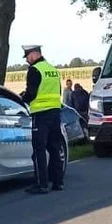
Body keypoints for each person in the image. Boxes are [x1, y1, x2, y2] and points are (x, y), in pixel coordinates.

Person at [20, 44, 65, 194]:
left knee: (39, 150)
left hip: (40, 114)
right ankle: (58, 182)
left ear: (33, 54)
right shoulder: (52, 69)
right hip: (55, 113)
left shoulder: (34, 70)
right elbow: (58, 91)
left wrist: (22, 98)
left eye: (27, 57)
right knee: (54, 147)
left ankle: (42, 184)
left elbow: (31, 93)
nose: (27, 60)